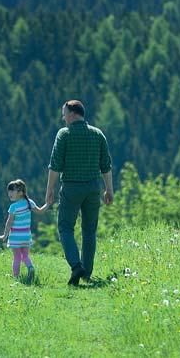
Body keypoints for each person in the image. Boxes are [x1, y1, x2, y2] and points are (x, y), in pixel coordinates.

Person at [46, 100, 114, 286]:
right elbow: (106, 166)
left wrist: (49, 190)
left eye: (64, 114)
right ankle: (87, 272)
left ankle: (76, 266)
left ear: (73, 114)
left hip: (71, 188)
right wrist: (109, 190)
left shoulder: (64, 134)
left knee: (66, 227)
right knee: (89, 230)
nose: (63, 118)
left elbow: (55, 165)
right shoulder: (98, 134)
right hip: (93, 188)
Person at [0, 179, 49, 281]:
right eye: (9, 191)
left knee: (17, 257)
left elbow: (9, 222)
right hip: (26, 236)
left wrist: (5, 235)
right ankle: (30, 267)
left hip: (15, 237)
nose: (10, 193)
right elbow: (40, 211)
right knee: (25, 256)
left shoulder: (13, 207)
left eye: (12, 191)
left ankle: (16, 277)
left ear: (21, 193)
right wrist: (48, 204)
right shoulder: (29, 203)